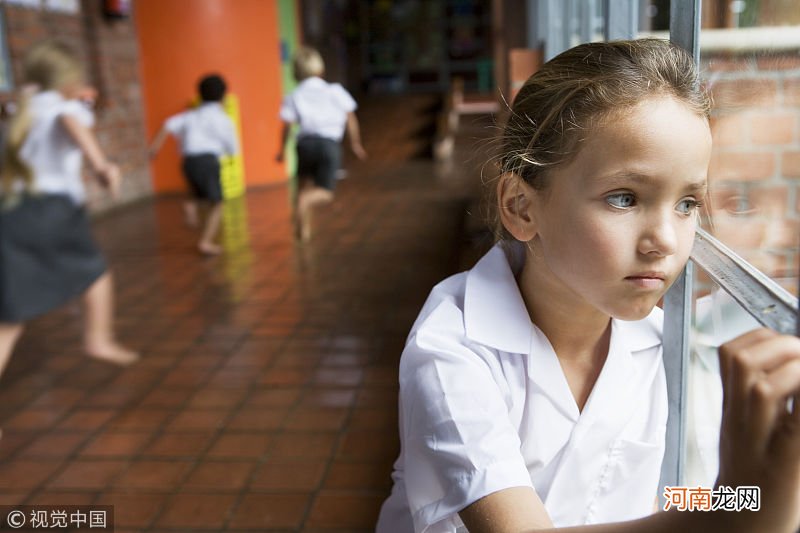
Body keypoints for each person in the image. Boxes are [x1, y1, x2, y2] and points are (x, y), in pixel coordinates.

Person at [376, 39, 800, 533]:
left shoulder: (662, 341)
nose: (665, 240)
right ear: (521, 207)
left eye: (687, 204)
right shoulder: (452, 349)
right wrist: (732, 515)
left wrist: (745, 493)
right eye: (624, 198)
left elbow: (671, 498)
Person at [0, 40, 139, 387]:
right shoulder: (65, 108)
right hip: (51, 210)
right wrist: (102, 165)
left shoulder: (20, 112)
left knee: (9, 319)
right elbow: (70, 123)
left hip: (10, 215)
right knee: (96, 274)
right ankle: (98, 340)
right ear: (68, 80)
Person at [276, 46, 366, 242]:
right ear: (320, 69)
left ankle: (304, 230)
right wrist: (355, 144)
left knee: (302, 185)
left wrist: (281, 151)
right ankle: (305, 202)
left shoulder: (294, 95)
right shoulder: (334, 90)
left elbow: (287, 127)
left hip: (304, 145)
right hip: (328, 145)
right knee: (324, 192)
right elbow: (350, 118)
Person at [149, 74, 238, 255]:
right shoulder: (222, 118)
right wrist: (231, 154)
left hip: (189, 161)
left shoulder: (190, 115)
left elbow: (167, 125)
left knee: (198, 191)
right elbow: (232, 146)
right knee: (217, 202)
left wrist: (154, 148)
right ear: (223, 96)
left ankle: (190, 204)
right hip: (208, 161)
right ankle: (205, 242)